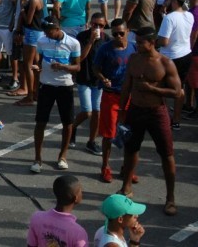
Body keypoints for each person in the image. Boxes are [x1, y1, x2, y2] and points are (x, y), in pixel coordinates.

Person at [117, 27, 180, 216]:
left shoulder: (165, 63)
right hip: (135, 110)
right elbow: (127, 85)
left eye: (141, 42)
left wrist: (153, 89)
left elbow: (177, 92)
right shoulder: (134, 59)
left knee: (167, 154)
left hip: (156, 112)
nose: (137, 45)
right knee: (130, 150)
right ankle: (126, 188)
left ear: (151, 43)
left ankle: (170, 198)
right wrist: (121, 111)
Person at [29, 17, 81, 173]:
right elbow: (38, 60)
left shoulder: (73, 43)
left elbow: (77, 66)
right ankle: (38, 158)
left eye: (48, 31)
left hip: (65, 86)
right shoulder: (42, 41)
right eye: (44, 31)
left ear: (57, 29)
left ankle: (62, 156)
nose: (46, 34)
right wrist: (37, 69)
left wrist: (64, 67)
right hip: (46, 86)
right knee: (40, 122)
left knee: (67, 123)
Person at [93, 18, 136, 183]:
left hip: (129, 96)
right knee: (109, 134)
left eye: (121, 33)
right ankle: (105, 167)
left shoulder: (133, 47)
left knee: (129, 134)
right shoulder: (105, 49)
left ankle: (127, 168)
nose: (118, 36)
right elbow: (95, 68)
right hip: (111, 96)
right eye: (115, 33)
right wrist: (103, 78)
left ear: (128, 31)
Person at [69, 13, 109, 157]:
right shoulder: (82, 37)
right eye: (94, 25)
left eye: (101, 26)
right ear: (89, 24)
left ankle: (91, 141)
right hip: (84, 78)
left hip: (98, 81)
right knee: (87, 111)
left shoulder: (107, 40)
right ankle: (72, 128)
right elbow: (80, 59)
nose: (97, 28)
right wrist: (91, 41)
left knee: (97, 112)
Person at [156, 0, 193, 130]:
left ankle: (162, 118)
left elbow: (164, 41)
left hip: (170, 57)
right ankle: (176, 120)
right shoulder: (189, 15)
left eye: (168, 0)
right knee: (180, 88)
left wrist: (156, 42)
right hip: (185, 54)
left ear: (174, 2)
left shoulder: (169, 18)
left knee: (161, 88)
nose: (166, 2)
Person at [26, 175, 89, 247]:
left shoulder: (36, 218)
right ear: (76, 198)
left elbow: (31, 245)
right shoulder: (78, 232)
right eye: (80, 191)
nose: (82, 193)